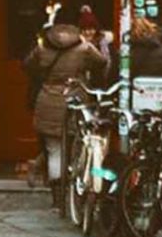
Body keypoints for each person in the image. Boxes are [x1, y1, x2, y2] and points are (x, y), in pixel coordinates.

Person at [23, 19, 108, 202]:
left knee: (54, 149)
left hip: (47, 98)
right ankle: (74, 188)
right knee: (75, 143)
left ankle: (57, 196)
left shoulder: (42, 49)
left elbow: (28, 65)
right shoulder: (84, 49)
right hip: (74, 100)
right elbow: (102, 62)